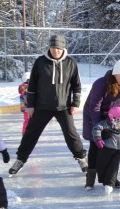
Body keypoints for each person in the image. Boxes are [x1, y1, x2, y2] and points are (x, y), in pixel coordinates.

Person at [9, 35, 87, 175]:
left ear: (63, 48)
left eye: (58, 48)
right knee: (31, 133)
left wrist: (75, 103)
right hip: (41, 106)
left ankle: (81, 158)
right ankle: (20, 159)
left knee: (71, 134)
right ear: (49, 47)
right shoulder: (40, 62)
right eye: (53, 47)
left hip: (63, 106)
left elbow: (77, 86)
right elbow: (31, 85)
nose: (55, 51)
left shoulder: (70, 63)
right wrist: (30, 105)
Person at [82, 60, 120, 190]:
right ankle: (90, 179)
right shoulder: (101, 84)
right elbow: (94, 107)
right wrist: (98, 128)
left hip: (113, 119)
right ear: (115, 73)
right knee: (95, 146)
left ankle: (111, 177)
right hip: (93, 117)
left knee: (113, 148)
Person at [92, 107, 120, 195]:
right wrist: (98, 139)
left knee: (114, 166)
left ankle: (109, 183)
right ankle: (108, 180)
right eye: (119, 121)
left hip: (118, 149)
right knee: (102, 166)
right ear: (111, 118)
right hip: (106, 149)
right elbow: (96, 128)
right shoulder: (106, 124)